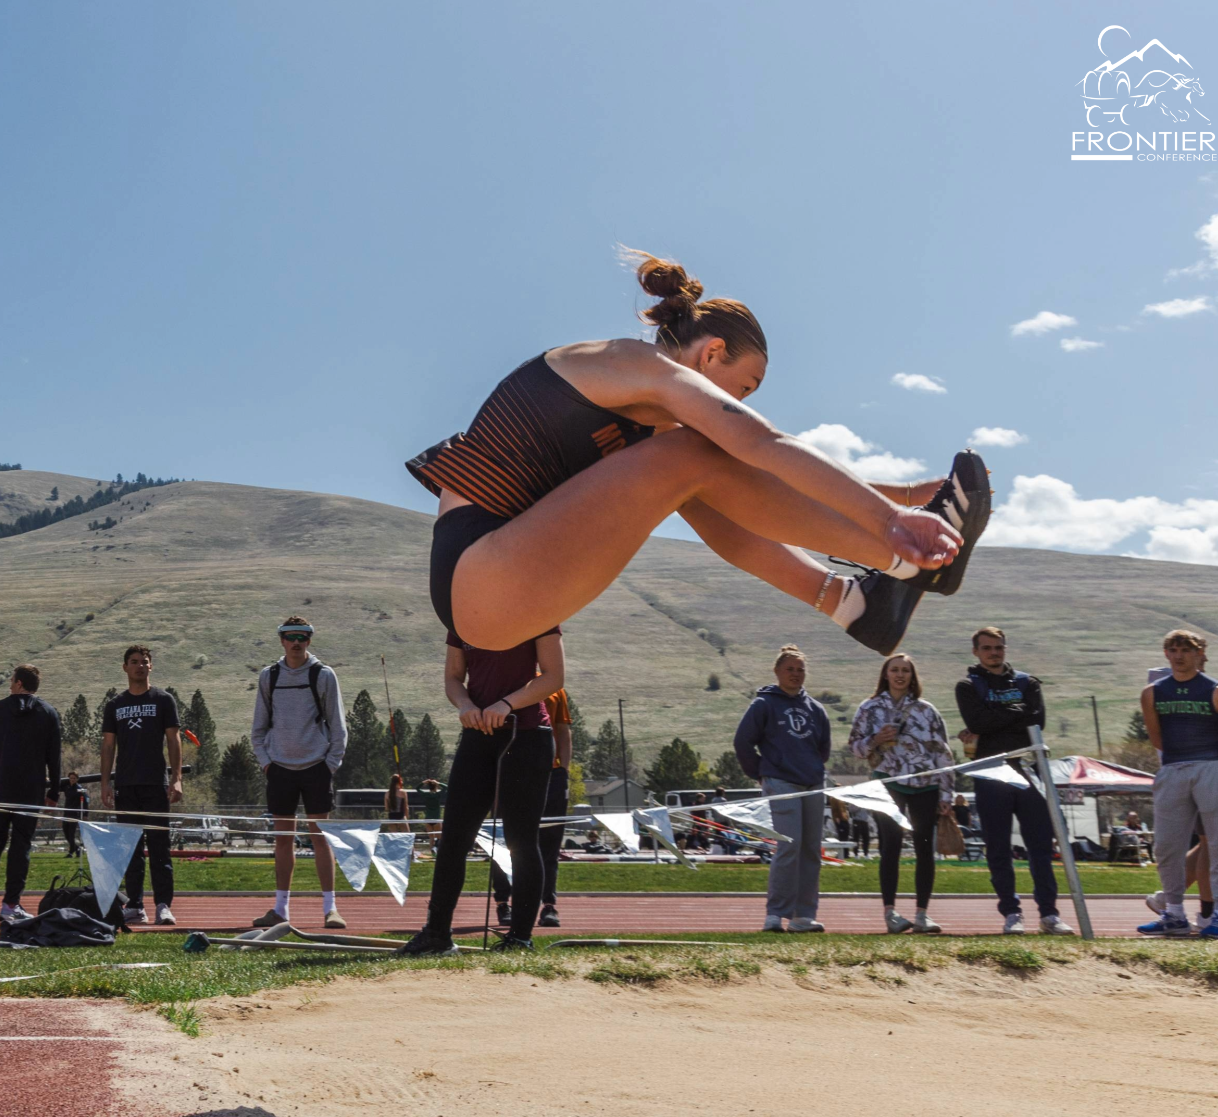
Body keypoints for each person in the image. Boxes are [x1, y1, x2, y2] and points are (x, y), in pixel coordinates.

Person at [404, 250, 981, 668]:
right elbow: (762, 445)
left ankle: (854, 604)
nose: (740, 404)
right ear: (712, 353)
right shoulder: (631, 364)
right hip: (478, 575)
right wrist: (889, 522)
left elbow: (746, 497)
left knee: (703, 471)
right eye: (743, 389)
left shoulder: (653, 435)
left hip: (502, 590)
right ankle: (905, 561)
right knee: (701, 451)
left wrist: (906, 496)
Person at [397, 626, 564, 956]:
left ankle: (519, 939)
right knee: (453, 838)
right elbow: (454, 678)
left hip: (526, 735)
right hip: (477, 733)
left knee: (522, 840)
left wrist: (507, 704)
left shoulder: (541, 612)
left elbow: (553, 677)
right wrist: (464, 704)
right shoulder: (460, 617)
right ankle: (437, 935)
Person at [954, 627, 1073, 935]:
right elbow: (977, 722)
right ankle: (1011, 912)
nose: (994, 652)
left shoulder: (1027, 682)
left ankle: (1049, 914)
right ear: (976, 652)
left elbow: (1036, 722)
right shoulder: (968, 685)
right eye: (987, 648)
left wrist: (995, 719)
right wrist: (1014, 714)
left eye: (999, 647)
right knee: (998, 846)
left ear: (1005, 649)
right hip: (991, 772)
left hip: (1026, 769)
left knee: (1040, 845)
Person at [1136, 631, 1218, 939]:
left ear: (1200, 654)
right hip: (1173, 768)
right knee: (1167, 845)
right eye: (1173, 649)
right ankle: (1174, 913)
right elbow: (1156, 737)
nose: (1180, 655)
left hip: (1211, 767)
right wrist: (1177, 760)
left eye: (1186, 649)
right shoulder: (1152, 693)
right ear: (1166, 653)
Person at [248, 617, 349, 929]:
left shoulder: (324, 675)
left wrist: (328, 765)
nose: (296, 642)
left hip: (316, 768)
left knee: (320, 838)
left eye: (302, 636)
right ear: (281, 640)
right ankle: (280, 909)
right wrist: (267, 762)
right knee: (283, 840)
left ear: (310, 639)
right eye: (290, 636)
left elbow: (338, 727)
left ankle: (331, 909)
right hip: (279, 770)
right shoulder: (270, 676)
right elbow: (258, 728)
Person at [848, 652, 955, 934]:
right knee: (890, 846)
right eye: (894, 669)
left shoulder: (927, 710)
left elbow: (944, 753)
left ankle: (922, 914)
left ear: (912, 676)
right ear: (885, 674)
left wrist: (946, 793)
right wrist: (875, 740)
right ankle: (890, 914)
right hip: (888, 782)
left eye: (905, 671)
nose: (899, 675)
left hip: (925, 784)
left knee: (924, 848)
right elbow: (856, 748)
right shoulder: (869, 708)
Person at [734, 646, 833, 934]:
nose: (796, 674)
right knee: (789, 847)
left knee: (811, 850)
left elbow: (823, 749)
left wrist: (811, 768)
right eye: (790, 669)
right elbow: (742, 743)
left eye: (800, 669)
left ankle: (803, 916)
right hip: (781, 783)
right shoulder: (763, 705)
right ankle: (775, 915)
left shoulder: (816, 709)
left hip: (813, 784)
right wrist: (762, 774)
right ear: (777, 672)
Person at [100, 645, 184, 926]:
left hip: (155, 785)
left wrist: (177, 779)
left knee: (160, 848)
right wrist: (105, 783)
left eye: (145, 662)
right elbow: (108, 745)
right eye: (134, 662)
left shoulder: (163, 700)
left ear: (151, 667)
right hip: (125, 785)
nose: (140, 666)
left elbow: (174, 740)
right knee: (130, 849)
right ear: (124, 667)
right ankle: (135, 904)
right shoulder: (115, 705)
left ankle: (163, 905)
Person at [0, 664, 62, 924]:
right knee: (21, 846)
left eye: (11, 680)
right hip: (31, 790)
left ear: (18, 683)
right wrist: (54, 793)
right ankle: (10, 904)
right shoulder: (49, 713)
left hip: (0, 788)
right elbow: (54, 758)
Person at [490, 688, 576, 928]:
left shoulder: (554, 688)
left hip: (551, 774)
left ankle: (548, 905)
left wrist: (563, 772)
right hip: (509, 772)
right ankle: (503, 902)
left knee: (549, 842)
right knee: (503, 841)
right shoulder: (504, 681)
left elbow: (562, 729)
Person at [58, 770, 89, 857]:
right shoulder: (66, 787)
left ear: (77, 779)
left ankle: (71, 853)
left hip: (74, 814)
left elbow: (86, 802)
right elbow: (57, 786)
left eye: (74, 778)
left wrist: (85, 814)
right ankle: (76, 848)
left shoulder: (79, 789)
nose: (72, 780)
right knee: (66, 833)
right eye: (71, 778)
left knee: (71, 834)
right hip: (66, 813)